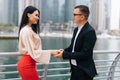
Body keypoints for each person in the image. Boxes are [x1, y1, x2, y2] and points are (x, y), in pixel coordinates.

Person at [54, 5, 97, 80]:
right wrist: (63, 51)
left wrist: (64, 55)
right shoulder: (76, 30)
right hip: (74, 69)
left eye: (75, 14)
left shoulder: (90, 31)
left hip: (84, 71)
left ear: (82, 17)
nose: (73, 16)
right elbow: (72, 47)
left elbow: (85, 54)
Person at [17, 6, 58, 80]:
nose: (38, 18)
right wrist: (51, 52)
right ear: (28, 15)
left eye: (38, 16)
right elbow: (32, 51)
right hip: (26, 65)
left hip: (30, 64)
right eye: (36, 15)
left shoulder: (29, 29)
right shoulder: (26, 31)